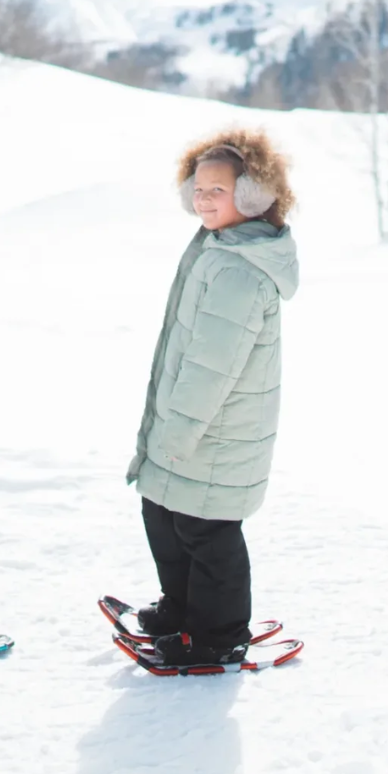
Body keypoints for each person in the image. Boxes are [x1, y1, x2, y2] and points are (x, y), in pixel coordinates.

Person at [127, 128, 299, 666]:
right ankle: (182, 608)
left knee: (207, 532)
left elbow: (212, 367)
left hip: (216, 430)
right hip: (194, 425)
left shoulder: (239, 270)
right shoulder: (217, 246)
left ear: (251, 195)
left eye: (217, 190)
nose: (203, 199)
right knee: (164, 514)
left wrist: (175, 433)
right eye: (198, 188)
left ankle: (219, 632)